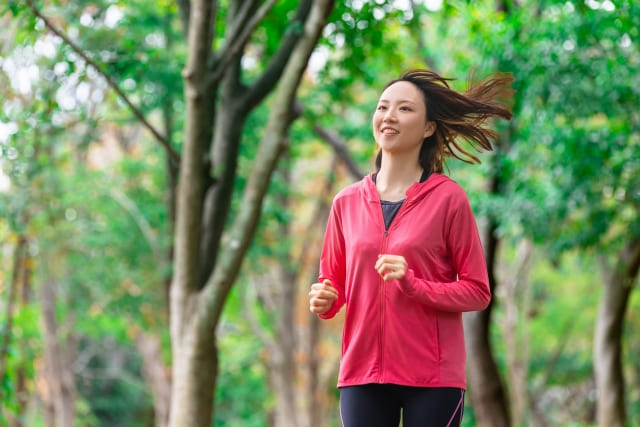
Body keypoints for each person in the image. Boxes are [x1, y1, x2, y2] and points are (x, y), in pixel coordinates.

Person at [308, 69, 513, 427]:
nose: (389, 116)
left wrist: (414, 284)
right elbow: (335, 285)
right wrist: (326, 300)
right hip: (363, 372)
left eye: (404, 109)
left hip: (433, 378)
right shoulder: (346, 203)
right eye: (383, 107)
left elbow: (477, 292)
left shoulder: (448, 199)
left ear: (429, 127)